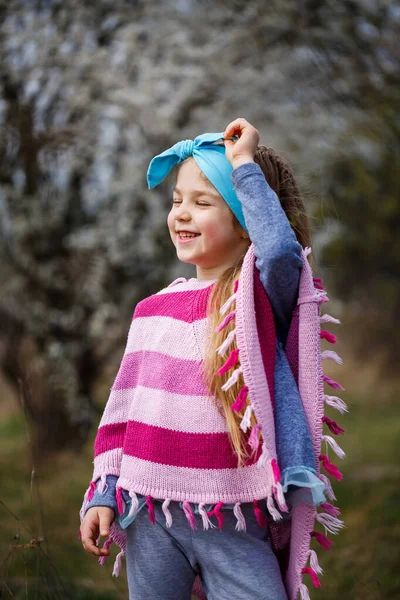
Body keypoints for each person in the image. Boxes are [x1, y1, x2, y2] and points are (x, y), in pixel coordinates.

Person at [79, 118, 346, 600]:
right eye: (177, 199)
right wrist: (102, 495)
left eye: (203, 203)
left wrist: (244, 166)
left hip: (230, 515)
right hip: (148, 514)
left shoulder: (253, 301)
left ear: (246, 224)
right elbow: (121, 418)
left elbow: (283, 253)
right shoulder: (151, 310)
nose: (182, 213)